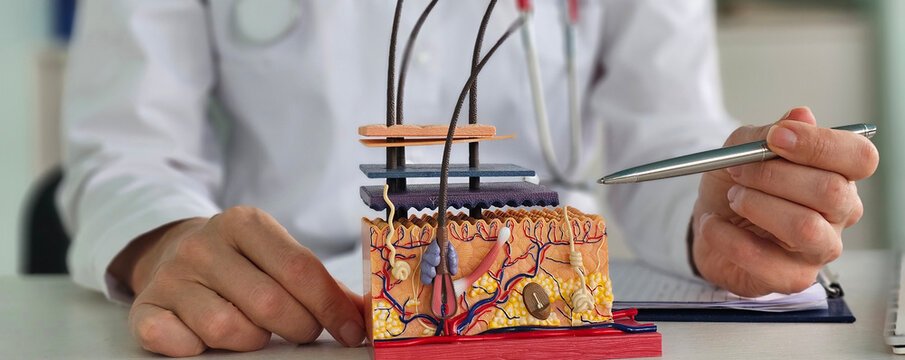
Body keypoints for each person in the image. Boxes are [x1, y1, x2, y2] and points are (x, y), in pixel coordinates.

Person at [58, 0, 878, 357]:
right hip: (284, 327)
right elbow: (127, 148)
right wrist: (163, 240)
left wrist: (717, 209)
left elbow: (664, 129)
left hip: (535, 312)